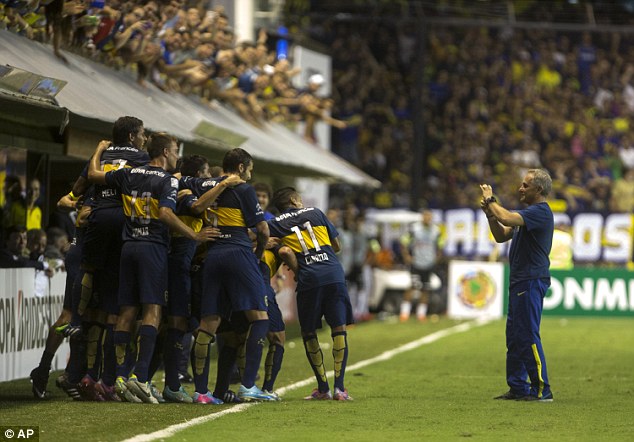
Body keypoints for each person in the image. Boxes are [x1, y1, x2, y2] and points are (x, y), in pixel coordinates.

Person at [87, 134, 219, 404]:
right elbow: (165, 214)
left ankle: (117, 378)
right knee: (153, 311)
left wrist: (99, 150)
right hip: (152, 248)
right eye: (174, 152)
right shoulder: (167, 180)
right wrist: (194, 236)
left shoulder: (128, 173)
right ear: (164, 152)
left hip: (128, 247)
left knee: (126, 311)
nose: (176, 157)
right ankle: (140, 377)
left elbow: (93, 174)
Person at [192, 147, 276, 403]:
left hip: (213, 255)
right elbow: (262, 228)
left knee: (208, 324)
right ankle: (248, 385)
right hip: (239, 252)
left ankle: (201, 392)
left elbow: (194, 206)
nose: (250, 175)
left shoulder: (207, 185)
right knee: (260, 318)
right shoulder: (243, 189)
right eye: (249, 169)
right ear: (241, 167)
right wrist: (260, 252)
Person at [267, 187, 354, 401]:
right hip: (333, 274)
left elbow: (280, 249)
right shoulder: (315, 212)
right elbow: (337, 246)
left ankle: (323, 388)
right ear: (295, 200)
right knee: (338, 329)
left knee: (308, 332)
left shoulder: (275, 224)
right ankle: (340, 389)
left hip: (309, 279)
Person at [480, 168, 554, 402]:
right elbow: (501, 235)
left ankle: (542, 390)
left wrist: (492, 200)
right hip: (520, 280)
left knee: (528, 334)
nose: (520, 189)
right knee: (514, 336)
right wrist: (490, 215)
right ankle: (518, 387)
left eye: (525, 185)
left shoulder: (540, 212)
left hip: (531, 280)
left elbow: (507, 218)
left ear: (538, 189)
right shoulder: (529, 214)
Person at [399, 209, 441, 322]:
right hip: (416, 263)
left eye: (430, 216)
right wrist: (406, 256)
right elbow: (403, 242)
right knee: (412, 287)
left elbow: (440, 245)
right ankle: (404, 313)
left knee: (425, 289)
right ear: (422, 217)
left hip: (429, 263)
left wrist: (437, 258)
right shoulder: (414, 229)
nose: (428, 218)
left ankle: (421, 314)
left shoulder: (436, 231)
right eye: (426, 216)